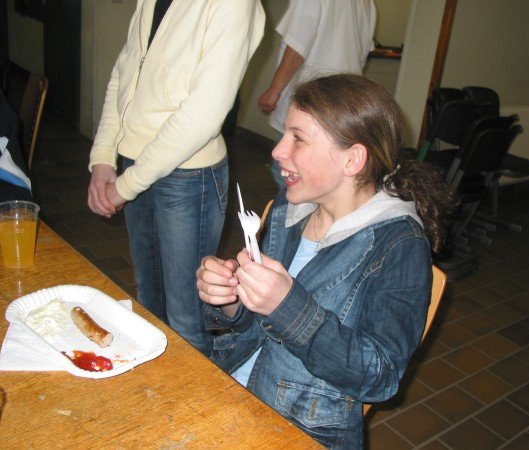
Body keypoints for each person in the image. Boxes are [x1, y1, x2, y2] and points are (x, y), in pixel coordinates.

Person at [197, 74, 456, 448]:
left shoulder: (400, 246)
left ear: (353, 159)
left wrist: (287, 307)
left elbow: (380, 377)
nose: (277, 150)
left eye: (298, 139)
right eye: (284, 134)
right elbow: (254, 325)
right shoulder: (291, 208)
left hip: (298, 429)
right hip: (230, 384)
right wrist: (231, 299)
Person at [87, 0, 265, 354]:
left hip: (188, 175)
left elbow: (204, 114)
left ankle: (192, 392)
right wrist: (104, 157)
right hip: (137, 164)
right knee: (148, 303)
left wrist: (126, 185)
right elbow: (124, 72)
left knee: (186, 322)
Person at [258, 0, 376, 188]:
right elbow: (362, 53)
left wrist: (274, 90)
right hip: (343, 102)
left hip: (310, 102)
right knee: (322, 178)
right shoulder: (366, 3)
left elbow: (298, 44)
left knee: (289, 173)